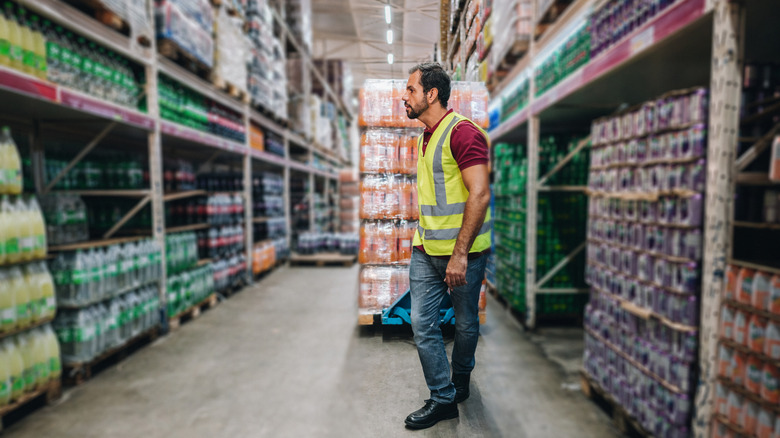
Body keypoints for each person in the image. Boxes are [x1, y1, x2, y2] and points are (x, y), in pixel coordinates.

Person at [400, 62, 492, 429]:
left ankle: (461, 379)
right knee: (422, 324)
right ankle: (443, 397)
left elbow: (480, 194)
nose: (404, 96)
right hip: (425, 250)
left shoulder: (464, 133)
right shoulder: (425, 136)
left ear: (431, 94)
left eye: (410, 90)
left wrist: (459, 255)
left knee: (467, 323)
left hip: (462, 254)